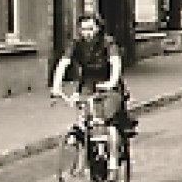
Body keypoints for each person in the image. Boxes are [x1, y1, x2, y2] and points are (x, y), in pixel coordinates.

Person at [50, 13, 134, 167]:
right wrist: (56, 86)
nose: (86, 33)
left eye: (90, 29)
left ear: (98, 28)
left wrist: (112, 82)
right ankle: (87, 147)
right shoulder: (76, 44)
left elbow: (115, 62)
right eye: (83, 29)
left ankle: (113, 160)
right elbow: (64, 63)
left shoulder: (107, 42)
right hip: (88, 82)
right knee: (84, 116)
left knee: (108, 121)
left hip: (108, 82)